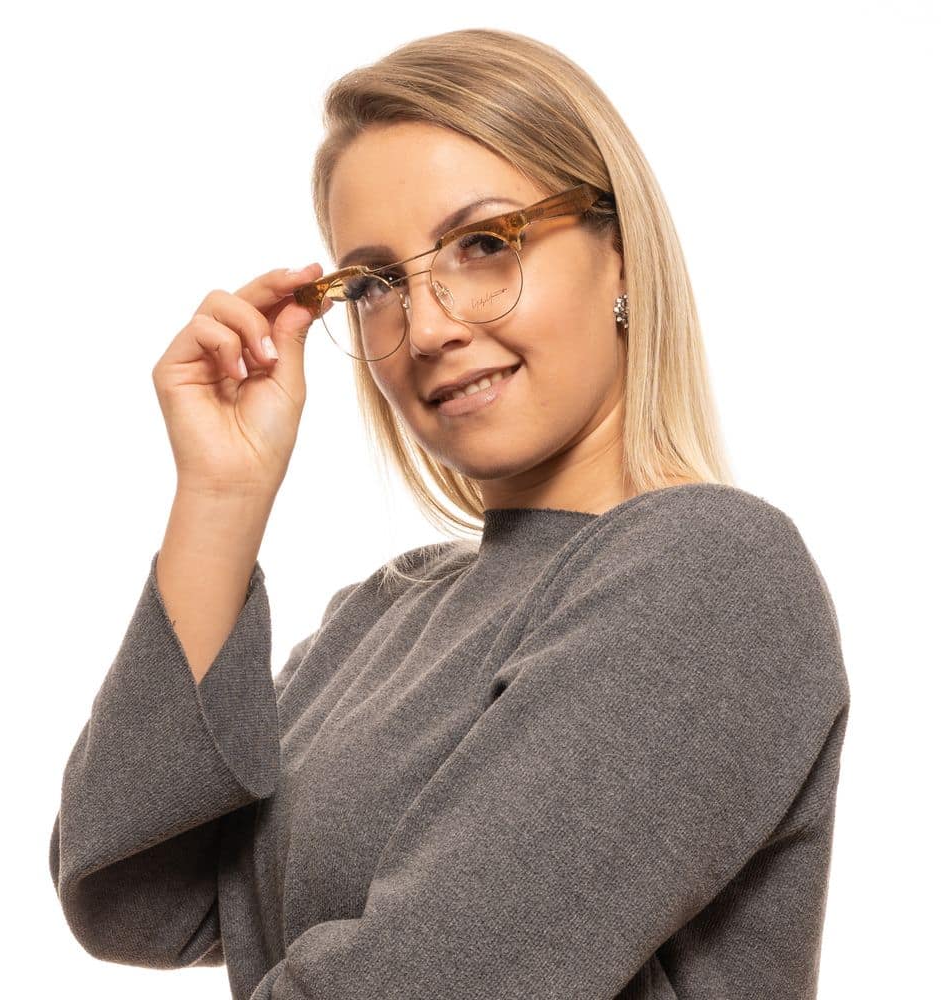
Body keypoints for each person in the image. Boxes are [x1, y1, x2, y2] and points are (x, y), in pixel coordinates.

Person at [48, 26, 850, 1000]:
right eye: (376, 283)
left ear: (621, 253)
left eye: (484, 244)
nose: (426, 327)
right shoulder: (377, 618)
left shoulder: (712, 572)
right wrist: (222, 496)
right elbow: (134, 895)